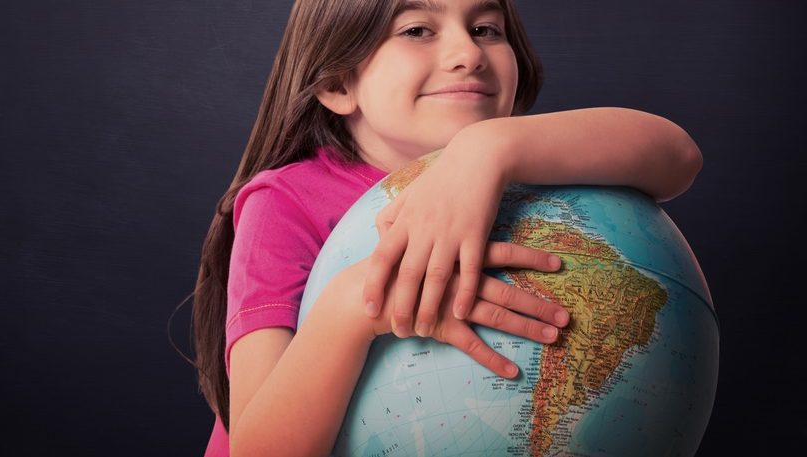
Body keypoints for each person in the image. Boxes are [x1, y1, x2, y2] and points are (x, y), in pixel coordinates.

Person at [191, 0, 703, 455]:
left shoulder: (527, 166)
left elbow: (678, 156)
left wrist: (490, 149)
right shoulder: (285, 202)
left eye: (486, 28)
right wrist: (355, 306)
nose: (469, 53)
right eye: (417, 29)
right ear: (337, 82)